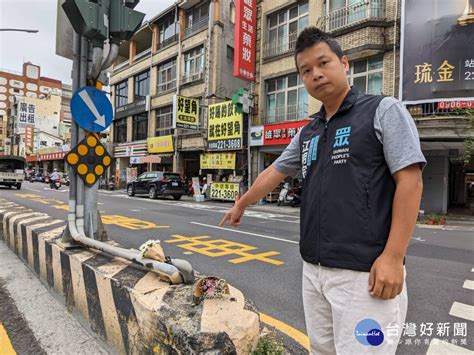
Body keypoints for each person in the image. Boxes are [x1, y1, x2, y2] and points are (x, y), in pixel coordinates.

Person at [219, 27, 426, 354]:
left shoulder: (383, 110)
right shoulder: (309, 132)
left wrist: (393, 257)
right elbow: (275, 171)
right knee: (321, 350)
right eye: (305, 70)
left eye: (323, 63)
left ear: (344, 63)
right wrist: (242, 203)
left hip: (364, 276)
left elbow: (410, 181)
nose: (315, 74)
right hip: (314, 271)